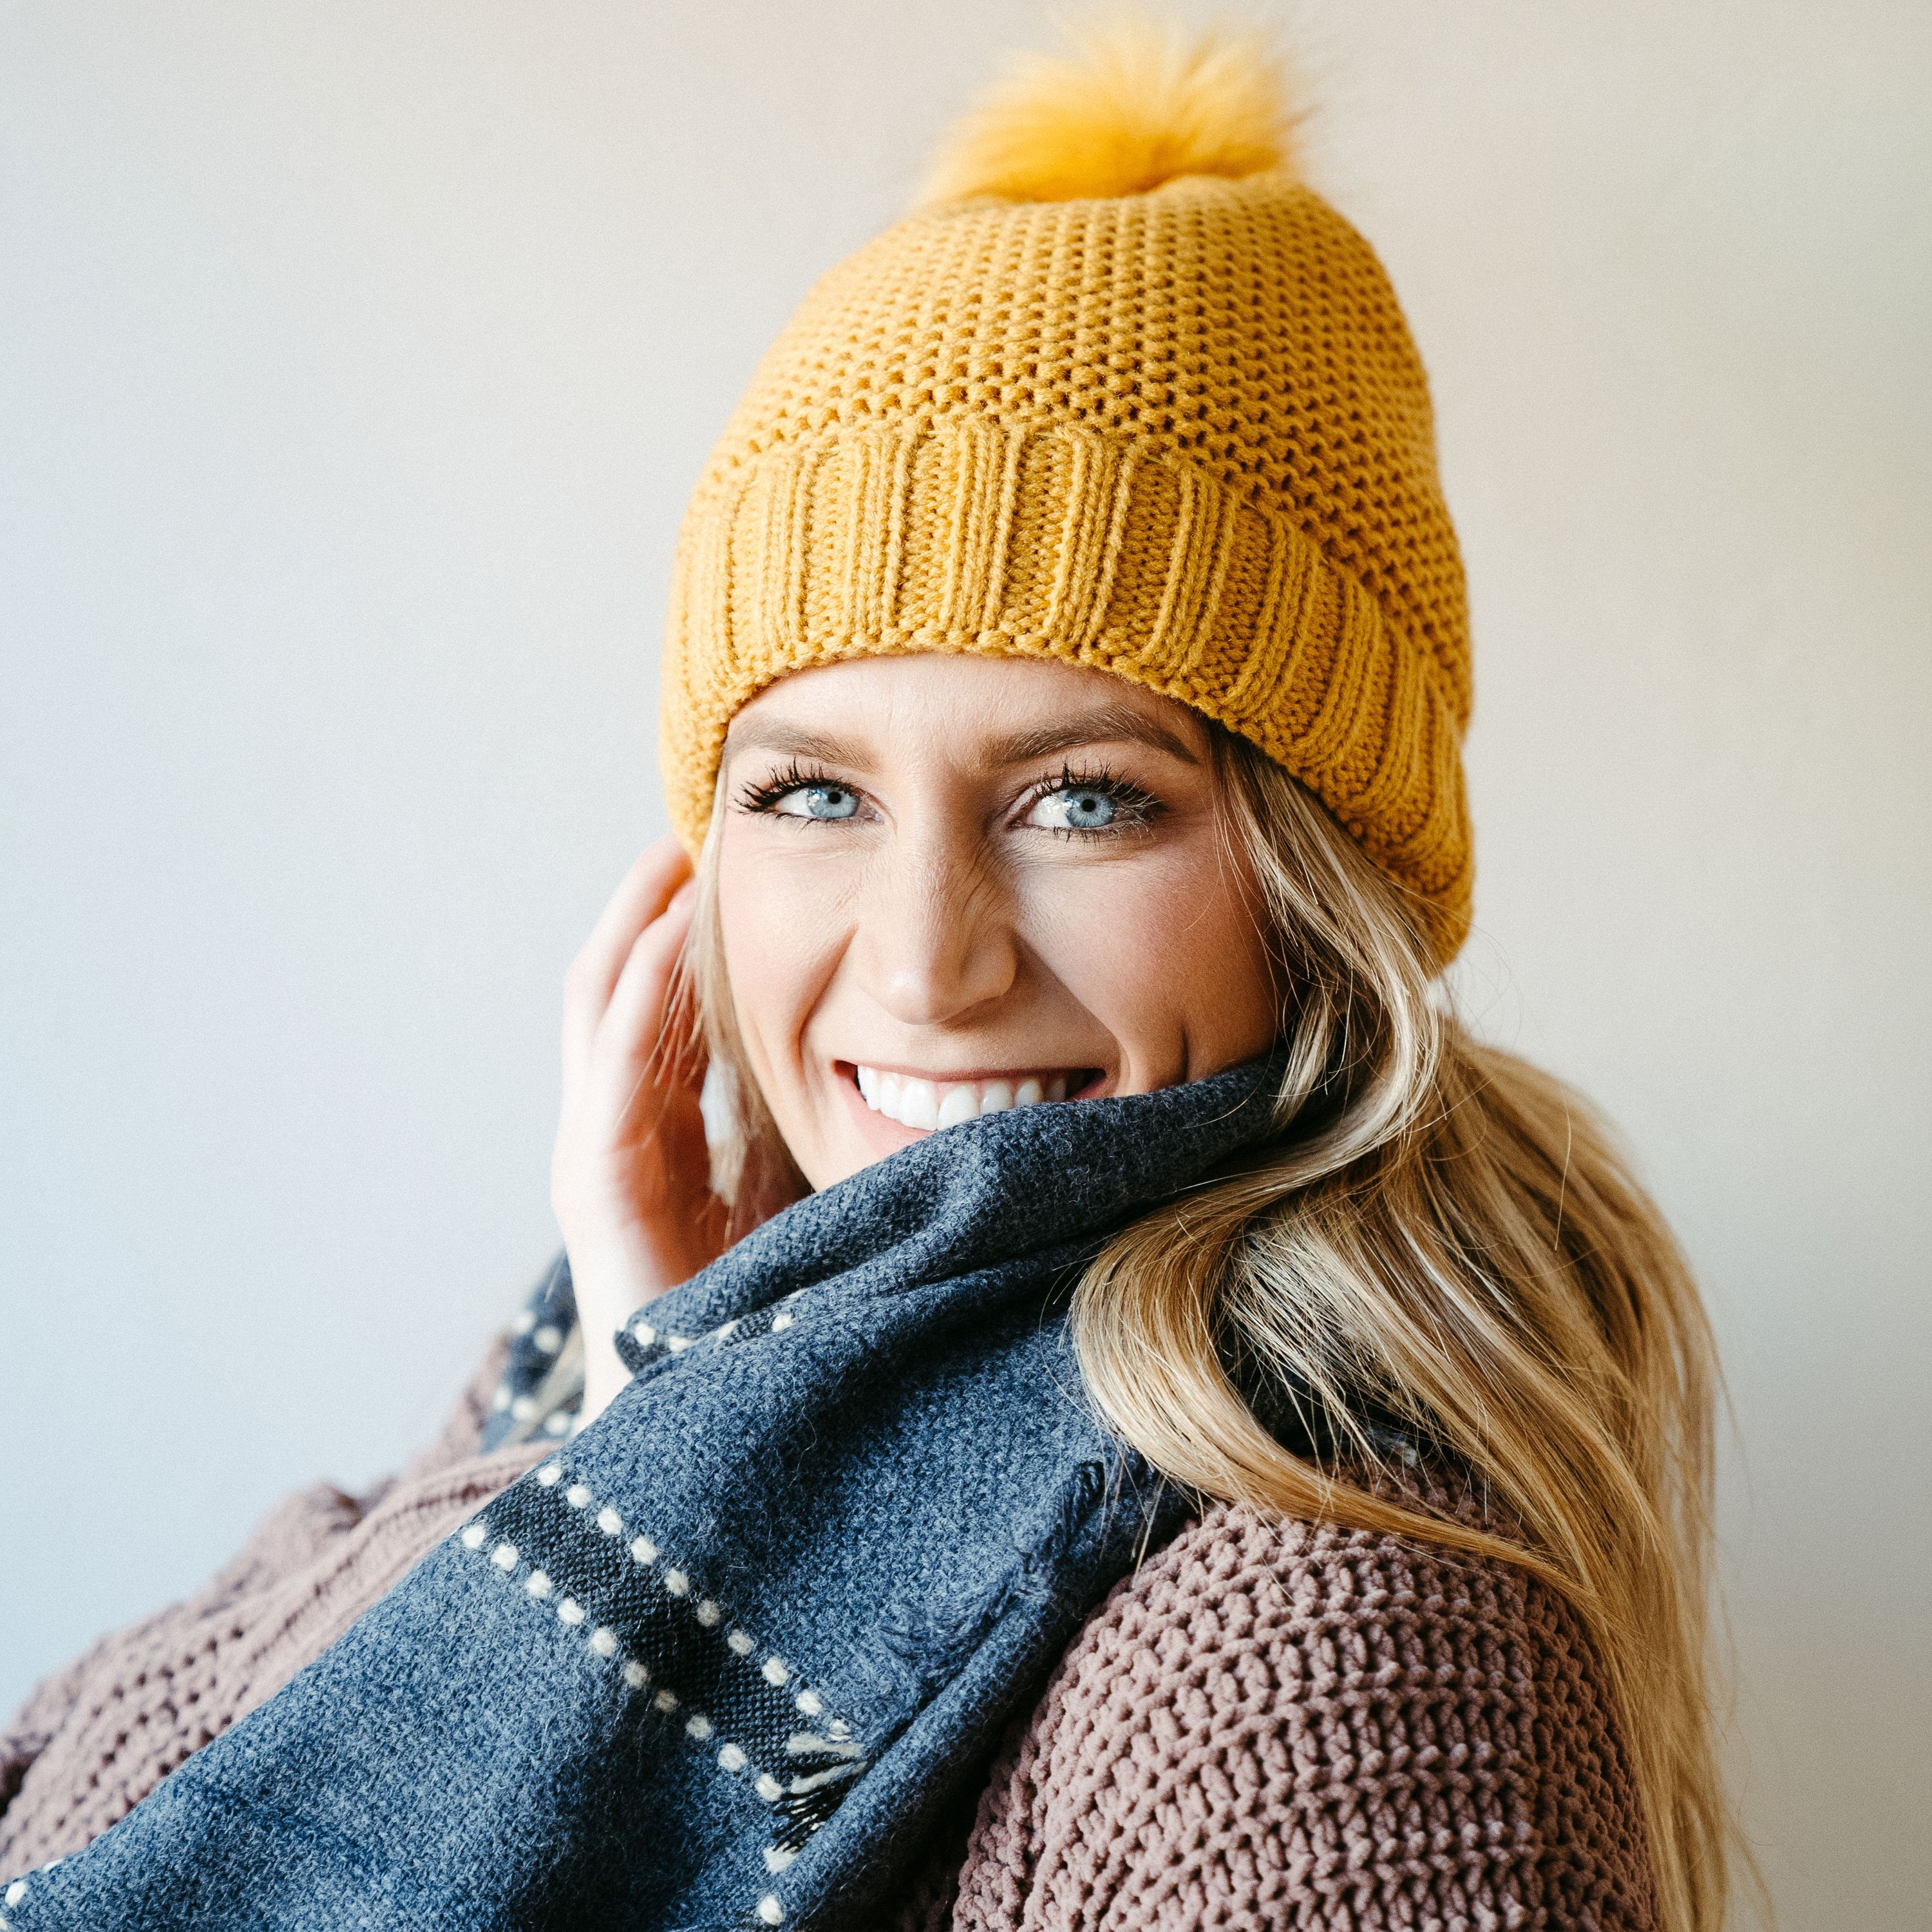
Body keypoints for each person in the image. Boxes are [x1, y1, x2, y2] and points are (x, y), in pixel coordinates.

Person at [0, 21, 1736, 1931]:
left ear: (1323, 876)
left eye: (1086, 800)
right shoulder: (657, 1361)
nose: (923, 963)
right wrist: (664, 1399)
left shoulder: (1330, 1647)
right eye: (812, 790)